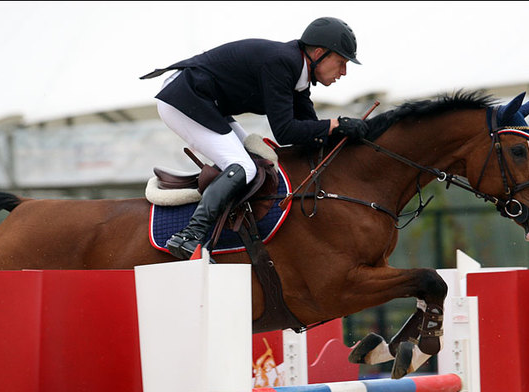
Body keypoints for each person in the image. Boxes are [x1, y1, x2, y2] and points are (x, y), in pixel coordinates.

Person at [141, 16, 369, 260]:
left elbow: (310, 133)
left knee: (254, 160)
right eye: (341, 62)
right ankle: (189, 236)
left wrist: (342, 133)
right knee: (244, 167)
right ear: (319, 53)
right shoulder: (283, 63)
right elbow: (286, 132)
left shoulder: (298, 78)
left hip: (206, 101)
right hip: (183, 98)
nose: (343, 72)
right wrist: (335, 125)